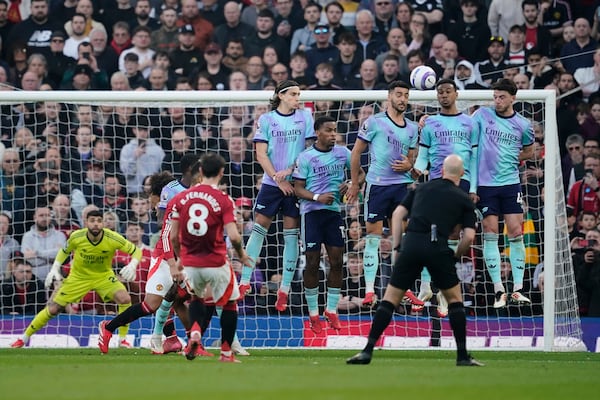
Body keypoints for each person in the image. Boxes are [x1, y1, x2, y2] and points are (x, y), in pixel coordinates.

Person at [346, 154, 483, 366]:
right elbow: (470, 237)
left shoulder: (420, 188)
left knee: (390, 299)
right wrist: (455, 256)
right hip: (438, 247)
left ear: (442, 171)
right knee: (455, 302)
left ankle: (367, 351)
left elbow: (398, 214)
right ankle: (462, 356)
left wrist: (399, 245)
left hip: (412, 244)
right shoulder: (463, 198)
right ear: (462, 174)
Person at [237, 80, 315, 312]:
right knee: (258, 229)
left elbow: (309, 151)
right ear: (281, 96)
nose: (297, 98)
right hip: (273, 183)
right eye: (293, 94)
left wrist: (290, 172)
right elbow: (261, 154)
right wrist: (277, 178)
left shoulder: (305, 117)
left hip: (295, 182)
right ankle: (244, 283)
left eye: (299, 94)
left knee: (291, 235)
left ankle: (285, 290)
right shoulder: (267, 119)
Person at [11, 210, 142, 349]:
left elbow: (136, 251)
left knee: (125, 299)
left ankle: (122, 340)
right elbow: (64, 251)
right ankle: (23, 338)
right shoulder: (77, 236)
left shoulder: (113, 238)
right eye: (92, 221)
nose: (96, 224)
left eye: (99, 221)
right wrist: (55, 268)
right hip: (78, 277)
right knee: (54, 309)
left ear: (103, 223)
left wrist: (133, 265)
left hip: (103, 276)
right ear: (86, 222)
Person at [169, 152, 252, 362]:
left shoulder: (181, 198)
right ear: (222, 173)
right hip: (215, 261)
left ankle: (195, 331)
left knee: (197, 298)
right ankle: (226, 353)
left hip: (190, 262)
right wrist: (241, 255)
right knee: (230, 303)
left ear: (200, 171)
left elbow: (173, 236)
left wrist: (179, 259)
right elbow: (233, 236)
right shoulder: (223, 199)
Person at [346, 81, 420, 307]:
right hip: (377, 186)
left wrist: (409, 165)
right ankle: (369, 291)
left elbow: (413, 159)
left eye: (406, 95)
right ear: (389, 97)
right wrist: (356, 183)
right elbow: (356, 152)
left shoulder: (412, 128)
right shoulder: (374, 122)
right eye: (399, 94)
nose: (403, 99)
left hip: (402, 187)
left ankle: (404, 286)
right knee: (373, 237)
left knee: (401, 238)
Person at [411, 78, 479, 315]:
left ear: (456, 94)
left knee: (452, 234)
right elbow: (422, 156)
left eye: (448, 91)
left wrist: (474, 189)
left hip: (462, 182)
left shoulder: (469, 124)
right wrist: (415, 172)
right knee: (430, 235)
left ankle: (442, 291)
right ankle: (428, 287)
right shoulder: (429, 124)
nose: (444, 95)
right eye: (440, 92)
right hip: (436, 183)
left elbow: (475, 158)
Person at [293, 115, 365, 333]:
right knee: (312, 263)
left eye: (335, 130)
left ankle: (331, 310)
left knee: (336, 261)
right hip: (312, 214)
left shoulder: (343, 153)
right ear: (317, 132)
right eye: (329, 130)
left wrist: (352, 183)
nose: (333, 134)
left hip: (333, 214)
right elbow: (297, 188)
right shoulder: (306, 157)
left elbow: (361, 174)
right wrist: (316, 197)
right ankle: (314, 314)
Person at [472, 78, 534, 309]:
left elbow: (529, 150)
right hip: (485, 185)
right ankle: (499, 289)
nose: (497, 101)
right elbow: (462, 127)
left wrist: (517, 158)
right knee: (490, 232)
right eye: (495, 97)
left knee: (516, 231)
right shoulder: (481, 115)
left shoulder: (523, 125)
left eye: (502, 97)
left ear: (513, 98)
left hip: (510, 183)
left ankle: (518, 288)